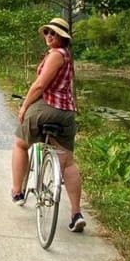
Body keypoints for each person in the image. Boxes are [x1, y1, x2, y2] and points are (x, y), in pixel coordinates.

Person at [10, 17, 86, 232]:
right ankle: (76, 213)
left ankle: (17, 190)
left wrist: (25, 106)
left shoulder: (55, 55)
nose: (49, 36)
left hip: (48, 108)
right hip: (67, 113)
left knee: (20, 143)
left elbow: (40, 85)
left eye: (54, 33)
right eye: (47, 33)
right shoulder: (68, 56)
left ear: (63, 37)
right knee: (68, 162)